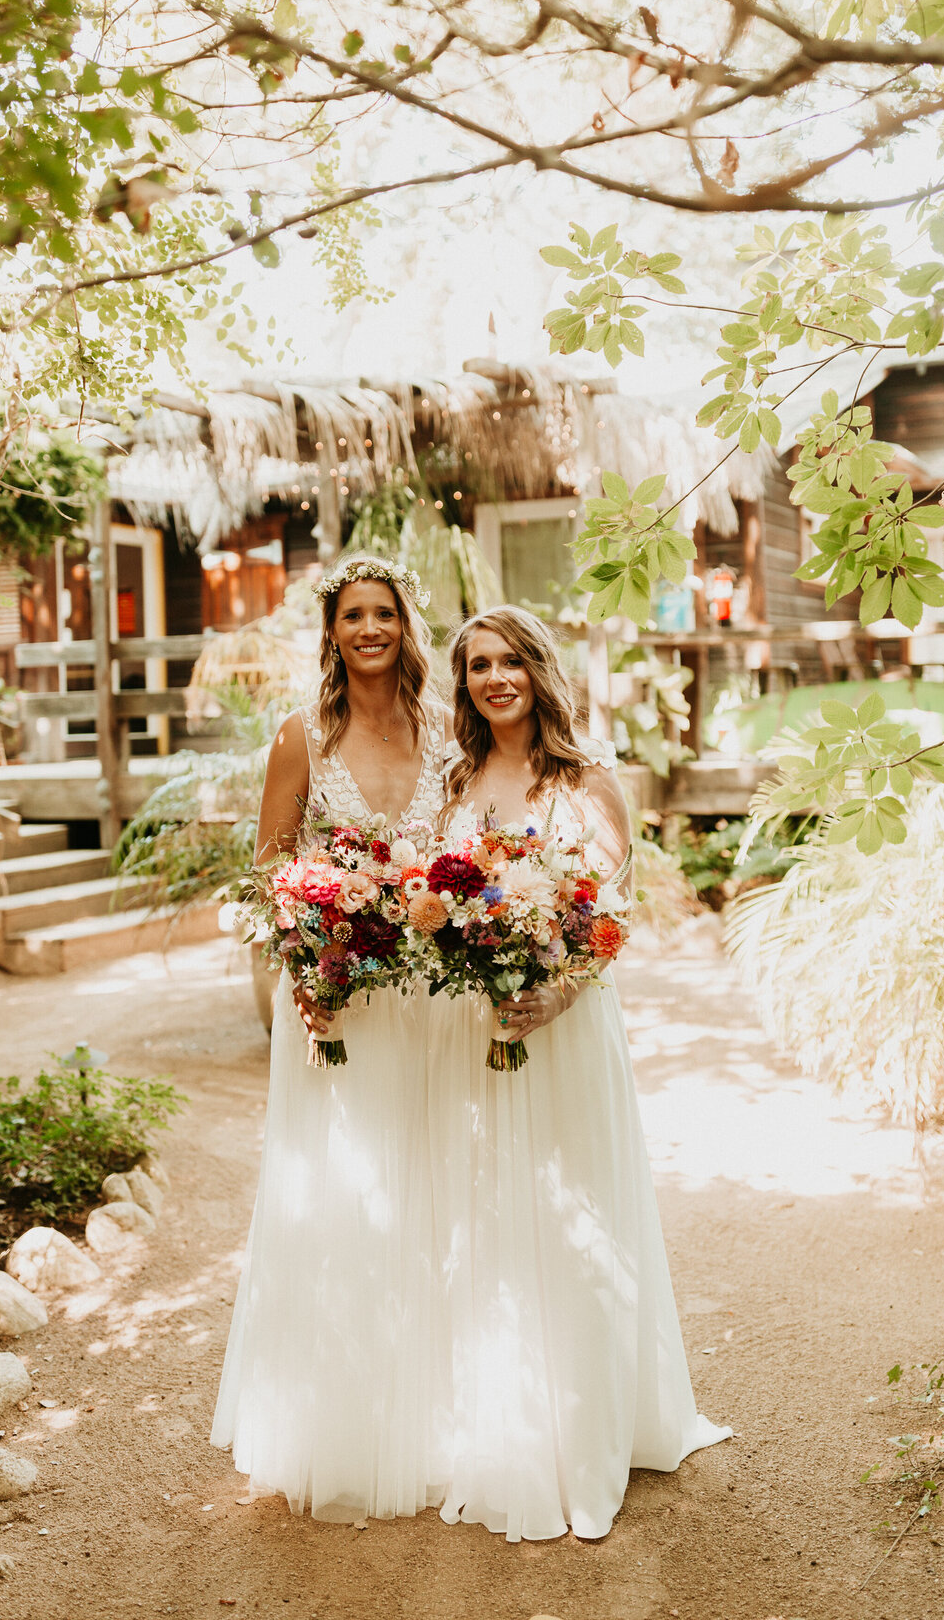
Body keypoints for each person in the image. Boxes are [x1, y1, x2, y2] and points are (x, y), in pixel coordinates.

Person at [430, 604, 730, 1542]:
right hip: (477, 1025)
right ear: (465, 682)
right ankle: (509, 1421)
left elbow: (610, 918)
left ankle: (591, 1426)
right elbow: (438, 893)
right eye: (478, 665)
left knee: (578, 1221)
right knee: (491, 1215)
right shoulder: (456, 778)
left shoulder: (586, 780)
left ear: (539, 669)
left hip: (565, 1025)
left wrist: (552, 995)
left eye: (510, 660)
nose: (495, 678)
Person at [211, 554, 452, 1522]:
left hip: (436, 992)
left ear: (404, 625)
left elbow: (474, 847)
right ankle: (347, 1420)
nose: (368, 629)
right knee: (348, 1189)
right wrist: (304, 971)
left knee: (435, 1179)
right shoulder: (300, 737)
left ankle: (439, 1413)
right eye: (353, 615)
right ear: (331, 630)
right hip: (338, 995)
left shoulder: (446, 733)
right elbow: (271, 869)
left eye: (383, 613)